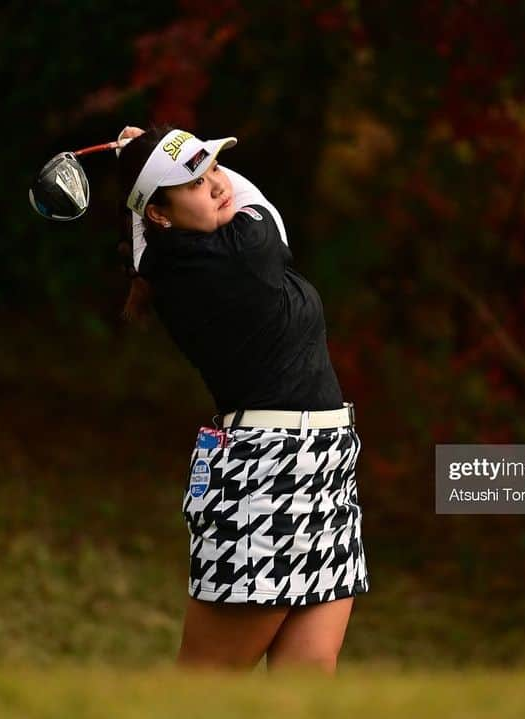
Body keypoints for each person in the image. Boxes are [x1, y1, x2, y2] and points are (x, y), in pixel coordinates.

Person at [114, 124, 370, 674]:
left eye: (210, 169)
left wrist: (147, 158)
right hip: (265, 469)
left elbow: (164, 222)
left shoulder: (166, 255)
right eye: (193, 181)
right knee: (206, 684)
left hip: (325, 465)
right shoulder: (240, 250)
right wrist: (148, 160)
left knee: (306, 687)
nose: (215, 185)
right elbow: (258, 203)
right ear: (159, 214)